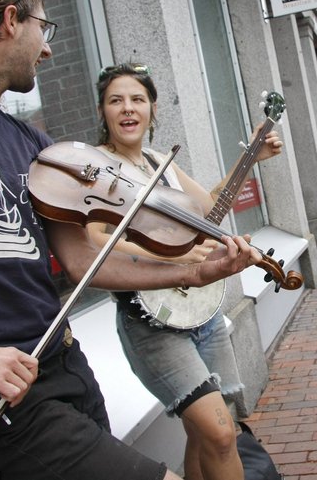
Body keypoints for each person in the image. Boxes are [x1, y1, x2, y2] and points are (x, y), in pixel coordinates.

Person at [0, 0, 261, 480]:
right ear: (10, 21)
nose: (48, 46)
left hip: (67, 367)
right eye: (41, 27)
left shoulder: (33, 142)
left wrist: (191, 272)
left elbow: (82, 260)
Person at [86, 63, 282, 480]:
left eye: (137, 99)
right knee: (220, 431)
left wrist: (251, 158)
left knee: (203, 432)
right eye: (115, 100)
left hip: (202, 315)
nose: (127, 108)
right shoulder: (99, 167)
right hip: (149, 320)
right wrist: (169, 254)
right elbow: (92, 240)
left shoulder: (161, 161)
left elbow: (210, 204)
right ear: (102, 111)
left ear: (152, 108)